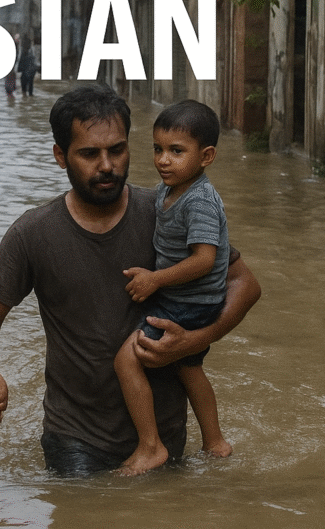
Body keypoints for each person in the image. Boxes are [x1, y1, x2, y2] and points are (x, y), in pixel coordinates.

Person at [0, 85, 261, 476]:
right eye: (89, 154)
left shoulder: (167, 213)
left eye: (117, 150)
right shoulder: (33, 233)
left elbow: (244, 284)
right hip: (74, 439)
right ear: (60, 156)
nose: (107, 165)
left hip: (167, 437)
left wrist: (196, 340)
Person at [114, 99, 232, 475]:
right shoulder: (170, 190)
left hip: (191, 303)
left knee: (126, 359)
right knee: (189, 367)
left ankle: (150, 446)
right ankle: (216, 442)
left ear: (207, 156)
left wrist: (155, 279)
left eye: (176, 151)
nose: (164, 160)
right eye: (158, 149)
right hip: (191, 300)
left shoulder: (198, 201)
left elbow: (204, 260)